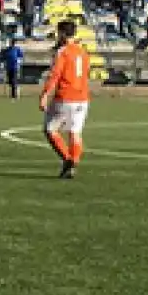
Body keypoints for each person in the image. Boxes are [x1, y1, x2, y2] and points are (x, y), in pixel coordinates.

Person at [39, 20, 91, 180]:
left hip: (65, 96)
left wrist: (45, 95)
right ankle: (73, 163)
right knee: (75, 133)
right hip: (82, 98)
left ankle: (68, 160)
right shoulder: (83, 52)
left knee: (50, 129)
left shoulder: (63, 52)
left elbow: (55, 75)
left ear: (62, 33)